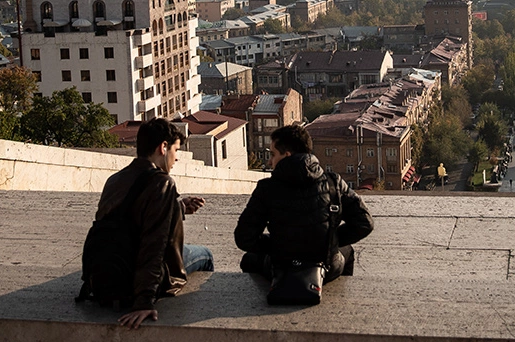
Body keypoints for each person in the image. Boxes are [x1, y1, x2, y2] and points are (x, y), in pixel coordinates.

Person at [93, 117, 213, 329]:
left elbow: (131, 216)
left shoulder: (115, 179)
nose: (176, 159)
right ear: (163, 147)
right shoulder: (163, 182)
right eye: (176, 151)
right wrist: (144, 301)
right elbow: (154, 244)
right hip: (139, 278)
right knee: (205, 255)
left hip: (108, 273)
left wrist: (179, 207)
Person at [234, 124, 374, 286]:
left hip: (281, 264)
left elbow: (244, 238)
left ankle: (275, 289)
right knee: (347, 251)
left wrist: (278, 244)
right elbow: (365, 223)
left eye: (273, 155)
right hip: (325, 266)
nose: (270, 161)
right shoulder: (333, 182)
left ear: (287, 155)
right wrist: (328, 241)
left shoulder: (267, 188)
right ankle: (332, 292)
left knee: (249, 259)